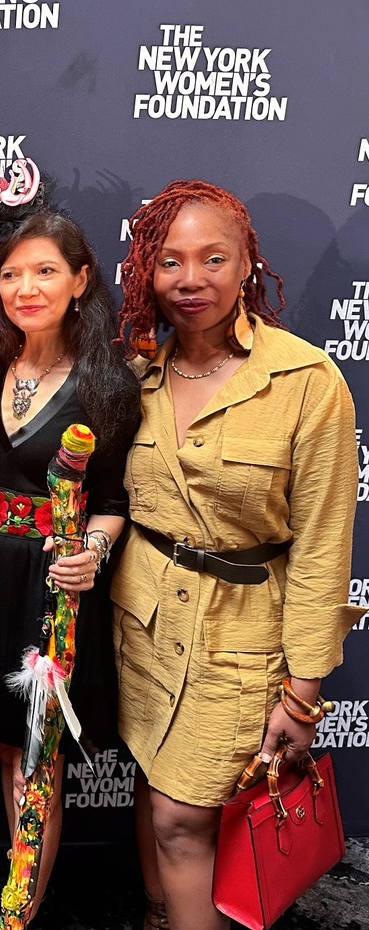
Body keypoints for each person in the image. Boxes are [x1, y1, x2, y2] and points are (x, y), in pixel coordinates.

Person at [113, 179, 361, 930]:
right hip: (143, 627)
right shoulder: (135, 374)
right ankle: (160, 914)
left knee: (184, 822)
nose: (192, 281)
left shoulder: (306, 382)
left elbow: (323, 547)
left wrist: (303, 691)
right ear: (147, 271)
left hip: (239, 640)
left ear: (247, 262)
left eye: (214, 259)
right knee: (154, 789)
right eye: (172, 262)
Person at [0, 193, 140, 927]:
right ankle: (17, 891)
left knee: (41, 758)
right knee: (9, 749)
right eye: (10, 274)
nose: (25, 289)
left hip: (55, 584)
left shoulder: (109, 382)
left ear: (82, 280)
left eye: (44, 272)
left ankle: (21, 911)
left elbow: (117, 497)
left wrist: (90, 552)